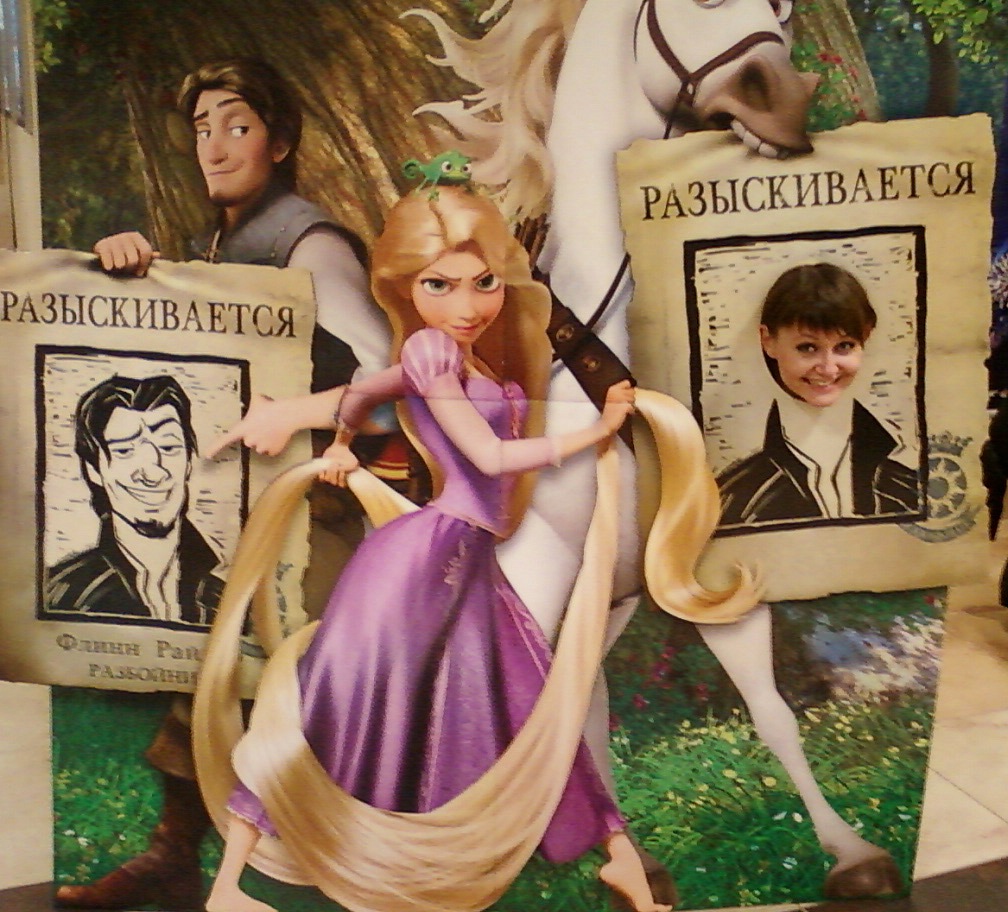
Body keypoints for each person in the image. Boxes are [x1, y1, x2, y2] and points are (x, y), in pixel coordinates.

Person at [194, 185, 757, 912]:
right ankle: (230, 885)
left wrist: (336, 439)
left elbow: (364, 394)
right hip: (421, 561)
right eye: (440, 285)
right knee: (332, 709)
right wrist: (592, 434)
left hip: (467, 564)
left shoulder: (457, 355)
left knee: (533, 705)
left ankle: (616, 857)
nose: (467, 304)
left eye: (483, 282)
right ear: (405, 287)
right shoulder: (432, 351)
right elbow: (488, 458)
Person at [54, 59, 395, 911]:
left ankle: (322, 865)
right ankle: (177, 855)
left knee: (266, 658)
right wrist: (124, 266)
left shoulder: (309, 244)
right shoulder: (220, 245)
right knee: (197, 648)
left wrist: (302, 418)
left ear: (279, 142)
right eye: (203, 129)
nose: (214, 146)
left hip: (324, 509)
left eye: (236, 126)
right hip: (247, 506)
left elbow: (385, 385)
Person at [717, 262, 921, 526]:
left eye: (844, 346)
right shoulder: (738, 496)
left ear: (866, 336)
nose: (828, 368)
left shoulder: (908, 486)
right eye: (807, 348)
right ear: (768, 341)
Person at [46, 374, 223, 624]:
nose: (153, 473)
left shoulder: (228, 599)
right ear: (94, 470)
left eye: (169, 447)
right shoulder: (62, 593)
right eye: (125, 451)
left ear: (188, 462)